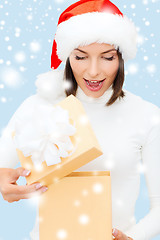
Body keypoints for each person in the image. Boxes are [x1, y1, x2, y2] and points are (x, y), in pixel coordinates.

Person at [0, 0, 160, 239]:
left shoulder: (146, 115)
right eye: (81, 57)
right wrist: (4, 183)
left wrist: (133, 237)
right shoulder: (38, 106)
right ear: (66, 57)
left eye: (107, 57)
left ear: (121, 58)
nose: (94, 71)